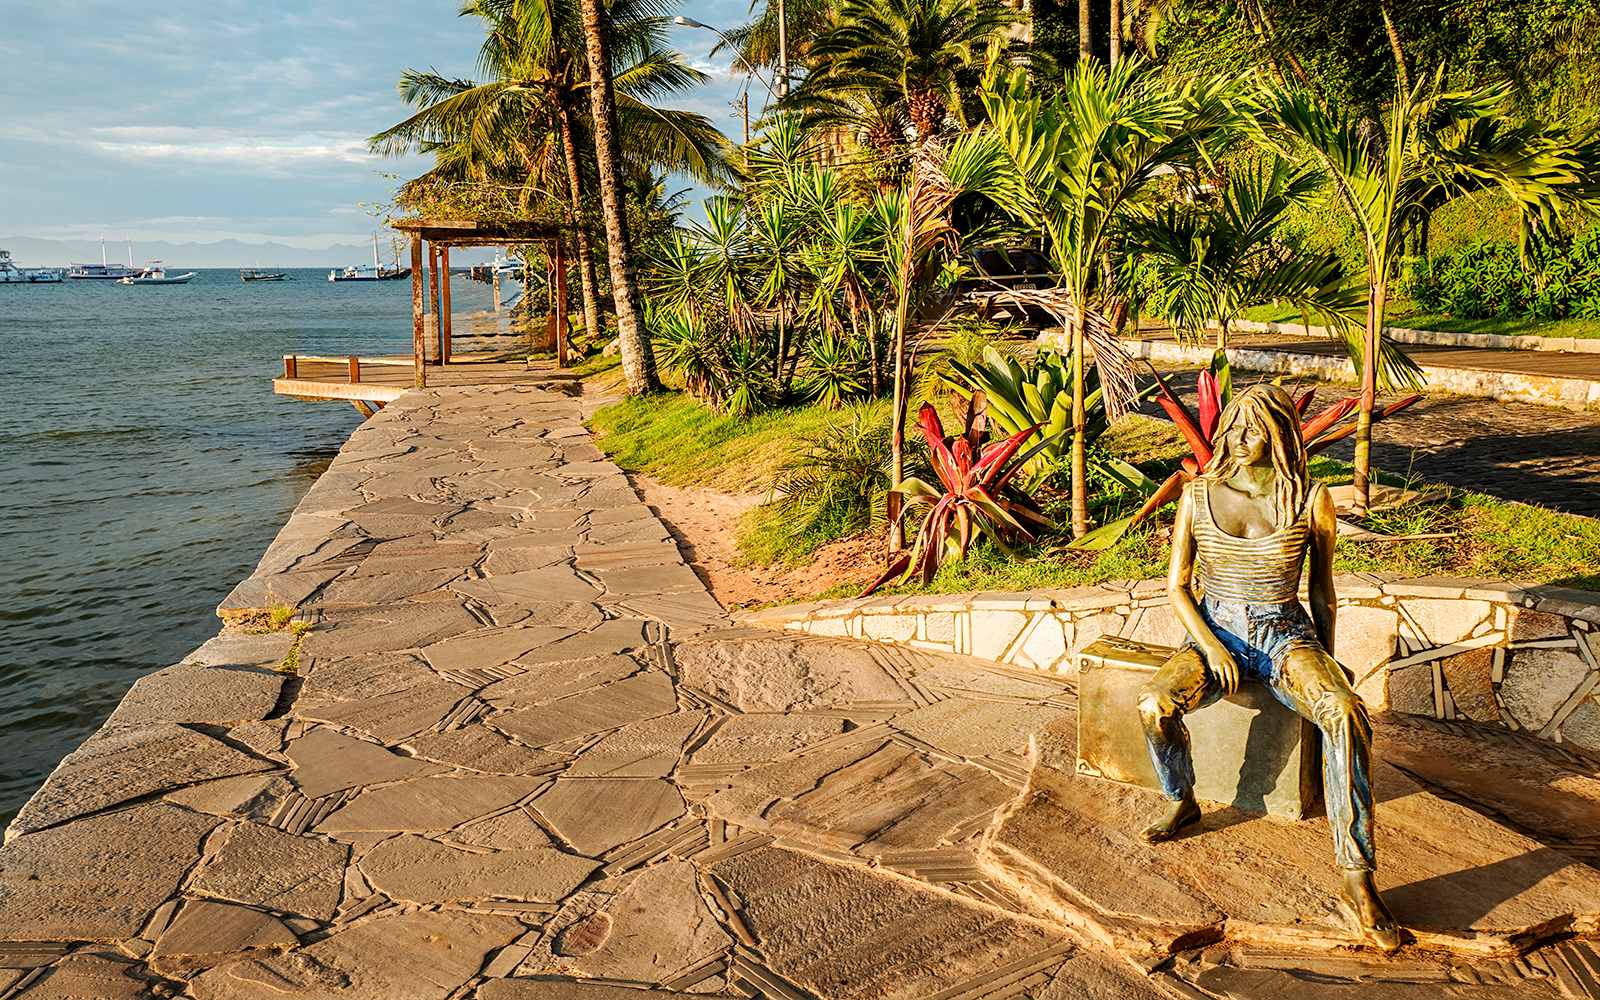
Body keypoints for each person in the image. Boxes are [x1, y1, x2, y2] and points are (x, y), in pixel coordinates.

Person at [1136, 383, 1400, 952]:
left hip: (1283, 635)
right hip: (1215, 631)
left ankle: (1358, 876)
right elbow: (1177, 587)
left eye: (1254, 429)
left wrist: (1327, 664)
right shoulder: (1198, 494)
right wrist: (1209, 648)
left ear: (1280, 433)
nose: (1239, 438)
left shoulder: (1311, 498)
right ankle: (1180, 798)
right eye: (1233, 427)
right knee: (1154, 704)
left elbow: (1323, 592)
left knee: (1347, 712)